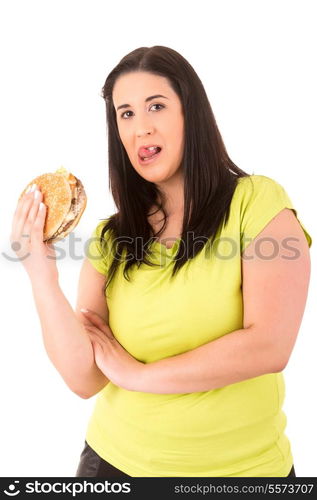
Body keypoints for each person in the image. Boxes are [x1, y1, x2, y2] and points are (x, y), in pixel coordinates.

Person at [11, 46, 311, 478]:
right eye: (126, 114)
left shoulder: (256, 202)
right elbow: (84, 378)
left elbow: (269, 345)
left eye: (156, 106)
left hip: (244, 475)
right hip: (112, 465)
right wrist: (41, 274)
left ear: (192, 112)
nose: (140, 127)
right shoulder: (111, 237)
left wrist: (137, 375)